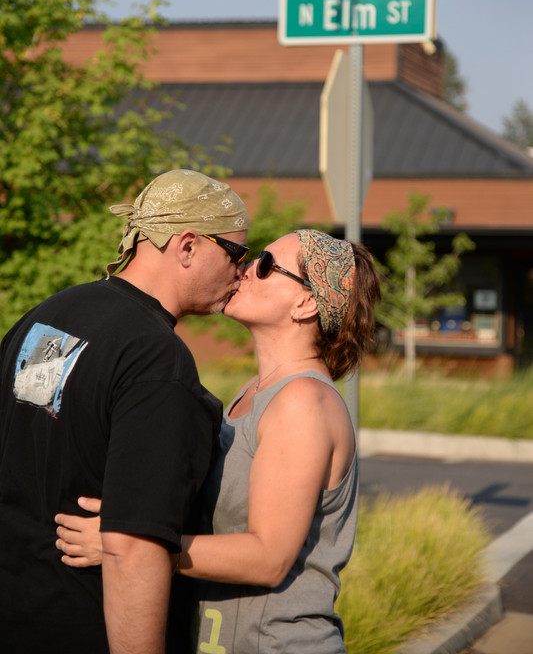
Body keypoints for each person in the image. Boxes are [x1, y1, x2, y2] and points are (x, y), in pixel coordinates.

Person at [55, 229, 381, 653]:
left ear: (306, 303)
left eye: (265, 264)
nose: (243, 269)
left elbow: (269, 557)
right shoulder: (255, 392)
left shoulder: (303, 402)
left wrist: (136, 545)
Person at [0, 169, 249, 654]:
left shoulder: (49, 315)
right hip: (84, 626)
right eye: (236, 254)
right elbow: (134, 547)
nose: (240, 272)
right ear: (189, 246)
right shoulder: (158, 361)